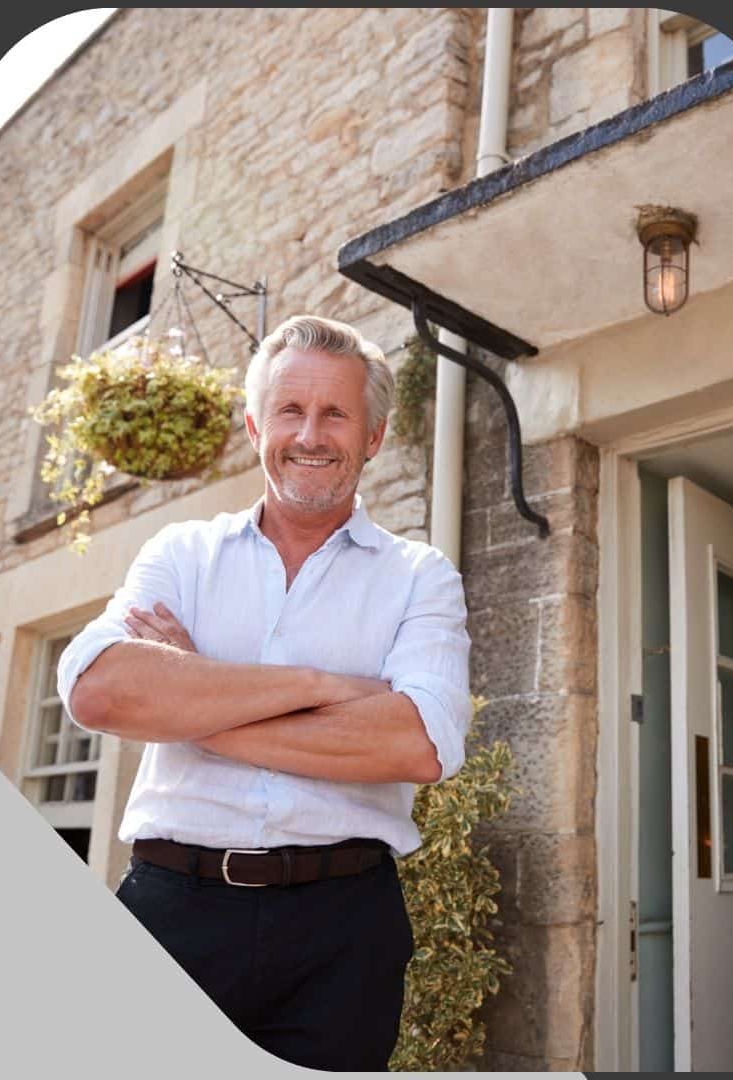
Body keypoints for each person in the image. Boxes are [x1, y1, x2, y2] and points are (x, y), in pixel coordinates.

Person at [56, 314, 471, 1071]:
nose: (310, 434)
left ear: (373, 437)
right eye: (290, 410)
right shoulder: (181, 553)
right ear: (255, 425)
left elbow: (419, 741)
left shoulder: (420, 575)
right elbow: (99, 689)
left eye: (335, 414)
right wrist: (320, 687)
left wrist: (198, 706)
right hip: (170, 913)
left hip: (341, 932)